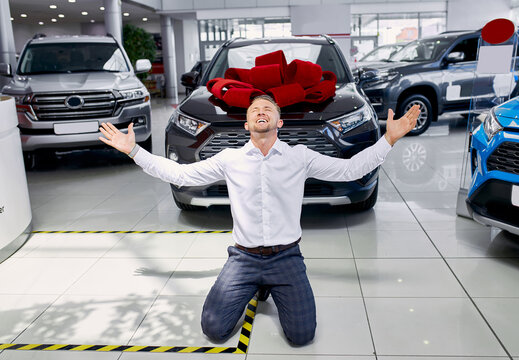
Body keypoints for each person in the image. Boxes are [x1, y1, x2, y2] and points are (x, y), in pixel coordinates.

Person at [99, 95, 419, 346]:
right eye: (254, 110)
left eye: (267, 108)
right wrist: (134, 152)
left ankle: (267, 286)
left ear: (279, 121)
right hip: (243, 259)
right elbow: (181, 174)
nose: (260, 111)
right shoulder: (230, 159)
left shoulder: (299, 156)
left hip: (287, 258)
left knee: (302, 336)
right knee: (213, 328)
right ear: (247, 124)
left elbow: (349, 170)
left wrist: (387, 141)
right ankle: (255, 285)